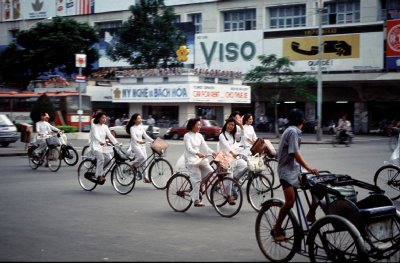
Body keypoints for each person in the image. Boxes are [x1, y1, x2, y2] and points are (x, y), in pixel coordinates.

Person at [273, 108, 320, 242]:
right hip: (286, 172)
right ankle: (277, 228)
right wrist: (309, 168)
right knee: (289, 202)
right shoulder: (292, 131)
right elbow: (295, 153)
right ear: (302, 120)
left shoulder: (293, 131)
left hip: (295, 169)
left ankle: (310, 214)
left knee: (318, 186)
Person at [184, 118, 217, 207]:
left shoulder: (199, 135)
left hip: (199, 159)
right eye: (198, 125)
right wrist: (197, 153)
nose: (200, 126)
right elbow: (189, 148)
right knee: (197, 178)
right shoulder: (187, 136)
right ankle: (196, 200)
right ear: (192, 126)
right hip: (191, 159)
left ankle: (197, 186)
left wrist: (213, 152)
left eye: (200, 125)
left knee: (210, 171)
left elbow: (205, 146)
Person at [90, 111, 119, 185]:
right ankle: (98, 175)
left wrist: (116, 142)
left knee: (110, 160)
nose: (104, 119)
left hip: (103, 146)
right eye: (103, 118)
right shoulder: (94, 126)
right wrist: (100, 141)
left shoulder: (105, 127)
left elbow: (110, 136)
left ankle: (101, 172)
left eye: (105, 118)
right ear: (99, 118)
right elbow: (96, 135)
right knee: (101, 159)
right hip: (96, 146)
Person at [217, 117, 247, 185]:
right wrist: (233, 153)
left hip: (233, 157)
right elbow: (227, 146)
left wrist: (241, 125)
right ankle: (228, 191)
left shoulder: (232, 135)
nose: (231, 126)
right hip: (224, 157)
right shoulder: (222, 135)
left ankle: (235, 179)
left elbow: (243, 135)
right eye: (229, 124)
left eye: (233, 125)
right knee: (229, 176)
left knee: (245, 166)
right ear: (226, 125)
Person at [126, 113, 154, 183]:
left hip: (142, 146)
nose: (140, 120)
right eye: (138, 118)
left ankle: (145, 177)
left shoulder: (141, 127)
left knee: (145, 161)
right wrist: (138, 141)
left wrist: (153, 141)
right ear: (134, 120)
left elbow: (146, 136)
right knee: (142, 157)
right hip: (135, 145)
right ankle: (131, 166)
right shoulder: (132, 128)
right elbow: (134, 137)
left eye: (140, 118)